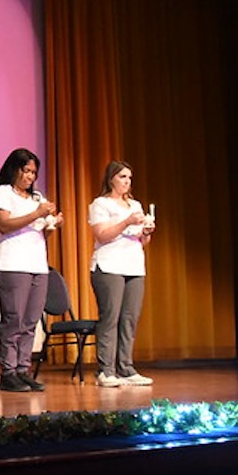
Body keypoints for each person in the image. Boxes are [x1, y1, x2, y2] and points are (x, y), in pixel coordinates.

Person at [0, 148, 62, 393]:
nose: (30, 176)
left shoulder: (35, 197)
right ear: (14, 169)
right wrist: (37, 214)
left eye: (33, 172)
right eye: (26, 170)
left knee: (31, 321)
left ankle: (23, 369)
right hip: (12, 263)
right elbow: (4, 224)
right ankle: (8, 372)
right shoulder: (2, 192)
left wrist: (51, 224)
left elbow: (40, 230)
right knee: (14, 319)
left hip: (37, 264)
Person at [89, 160, 156, 387]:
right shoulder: (100, 204)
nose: (126, 182)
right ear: (111, 179)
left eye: (129, 177)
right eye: (122, 177)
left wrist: (146, 232)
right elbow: (102, 235)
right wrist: (126, 221)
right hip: (109, 266)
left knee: (130, 318)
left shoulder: (135, 205)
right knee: (111, 317)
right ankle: (105, 371)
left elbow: (142, 241)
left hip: (134, 266)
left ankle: (126, 367)